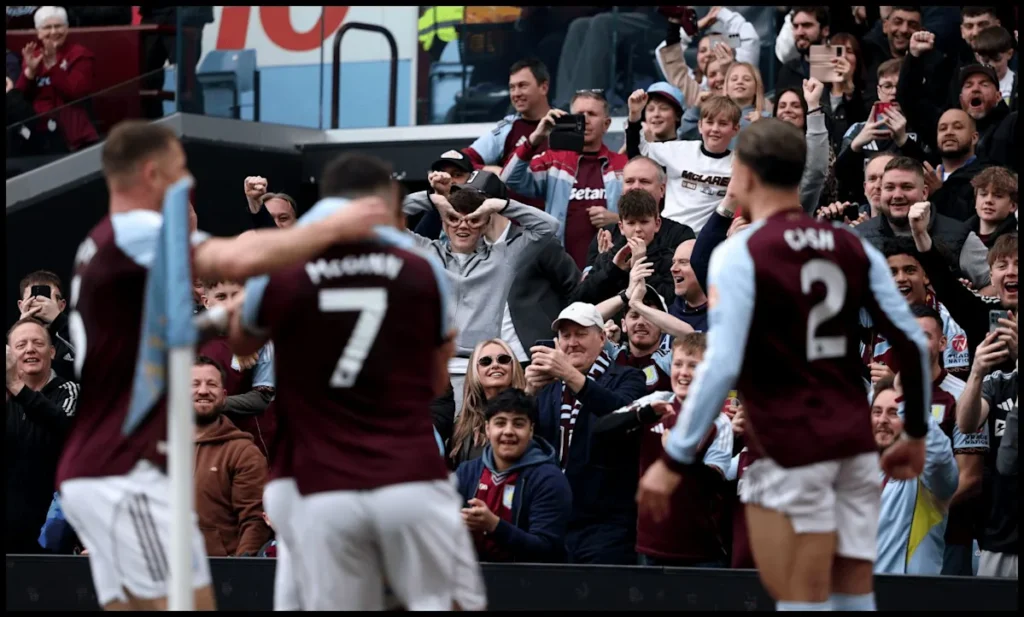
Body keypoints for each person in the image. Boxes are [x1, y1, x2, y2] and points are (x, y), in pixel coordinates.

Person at [56, 121, 392, 611]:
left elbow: (165, 336)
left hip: (123, 467)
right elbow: (237, 254)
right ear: (151, 174)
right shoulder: (137, 230)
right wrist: (330, 227)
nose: (188, 188)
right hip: (120, 469)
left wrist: (220, 319)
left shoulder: (111, 244)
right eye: (180, 174)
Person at [637, 119, 931, 611]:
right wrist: (917, 431)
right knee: (851, 595)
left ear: (746, 175)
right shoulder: (851, 244)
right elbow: (912, 343)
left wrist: (675, 457)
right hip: (851, 446)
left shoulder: (742, 252)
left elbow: (724, 361)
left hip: (790, 447)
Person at [228, 152, 486, 611]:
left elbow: (243, 339)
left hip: (308, 476)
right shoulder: (419, 268)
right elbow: (433, 376)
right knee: (449, 598)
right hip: (398, 471)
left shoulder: (285, 267)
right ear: (386, 203)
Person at [455, 388, 572, 563]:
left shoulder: (549, 479)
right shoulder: (466, 472)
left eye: (518, 424)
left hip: (530, 584)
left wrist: (494, 526)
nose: (508, 431)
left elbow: (547, 549)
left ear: (531, 430)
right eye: (500, 423)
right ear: (487, 428)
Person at [6, 318, 79, 554]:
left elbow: (65, 428)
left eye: (38, 343)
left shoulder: (70, 392)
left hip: (55, 534)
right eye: (21, 345)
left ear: (52, 351)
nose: (30, 349)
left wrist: (18, 387)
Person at [872, 377, 959, 575]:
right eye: (876, 412)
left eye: (894, 412)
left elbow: (939, 458)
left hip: (910, 597)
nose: (882, 419)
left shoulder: (925, 475)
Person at [190, 356, 270, 558]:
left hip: (219, 577)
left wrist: (237, 574)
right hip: (164, 576)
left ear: (224, 396)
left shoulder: (244, 453)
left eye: (212, 384)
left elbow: (254, 522)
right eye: (195, 384)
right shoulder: (159, 450)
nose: (203, 391)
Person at [14, 6, 98, 152]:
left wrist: (54, 66)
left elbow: (75, 92)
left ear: (66, 29)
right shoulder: (33, 56)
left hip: (73, 137)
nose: (53, 32)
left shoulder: (80, 55)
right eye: (47, 27)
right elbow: (18, 100)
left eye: (58, 26)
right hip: (37, 136)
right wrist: (29, 72)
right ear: (38, 33)